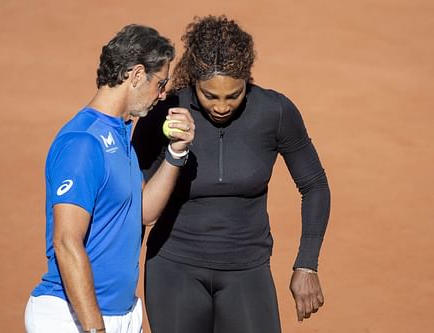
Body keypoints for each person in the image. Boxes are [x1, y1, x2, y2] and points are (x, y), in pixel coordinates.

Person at [133, 15, 331, 333]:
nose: (222, 106)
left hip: (248, 271)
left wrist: (307, 263)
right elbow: (134, 198)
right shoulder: (164, 112)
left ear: (247, 81)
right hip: (174, 269)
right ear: (194, 80)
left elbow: (314, 185)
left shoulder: (275, 112)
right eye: (209, 95)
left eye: (234, 95)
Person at [25, 24, 195, 333]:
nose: (163, 94)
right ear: (136, 75)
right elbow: (66, 241)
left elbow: (143, 212)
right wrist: (95, 328)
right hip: (72, 317)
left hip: (122, 314)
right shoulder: (83, 142)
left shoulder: (119, 134)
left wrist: (175, 154)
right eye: (161, 83)